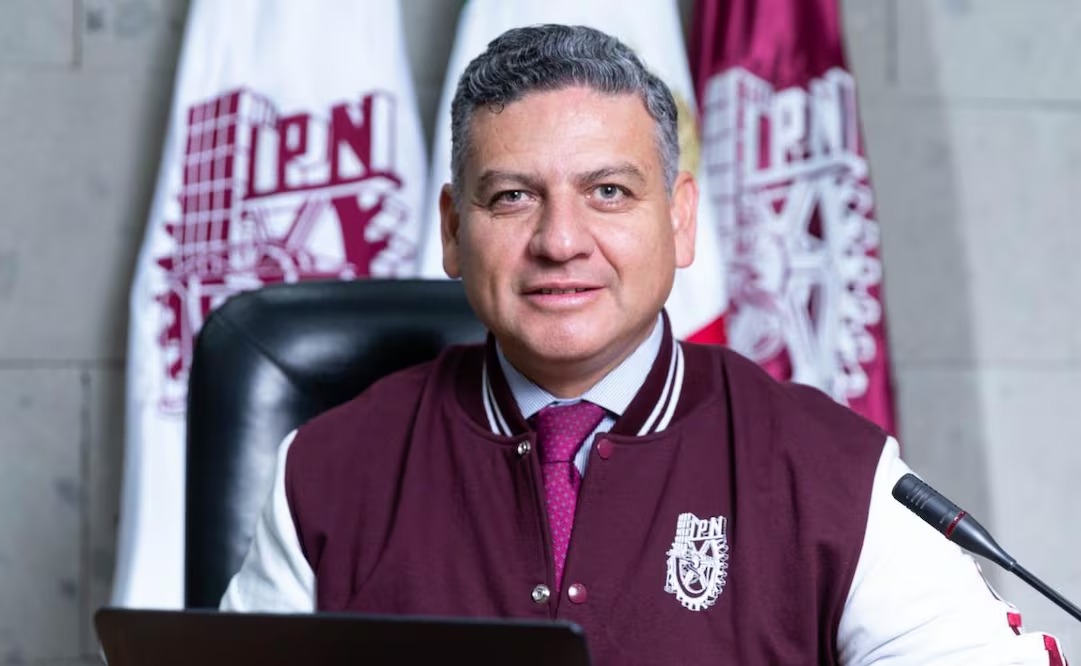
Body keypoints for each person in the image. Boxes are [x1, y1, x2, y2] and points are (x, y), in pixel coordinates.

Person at [220, 24, 1067, 665]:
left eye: (608, 192)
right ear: (451, 231)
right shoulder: (325, 471)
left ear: (679, 220)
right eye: (512, 197)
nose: (560, 240)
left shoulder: (829, 471)